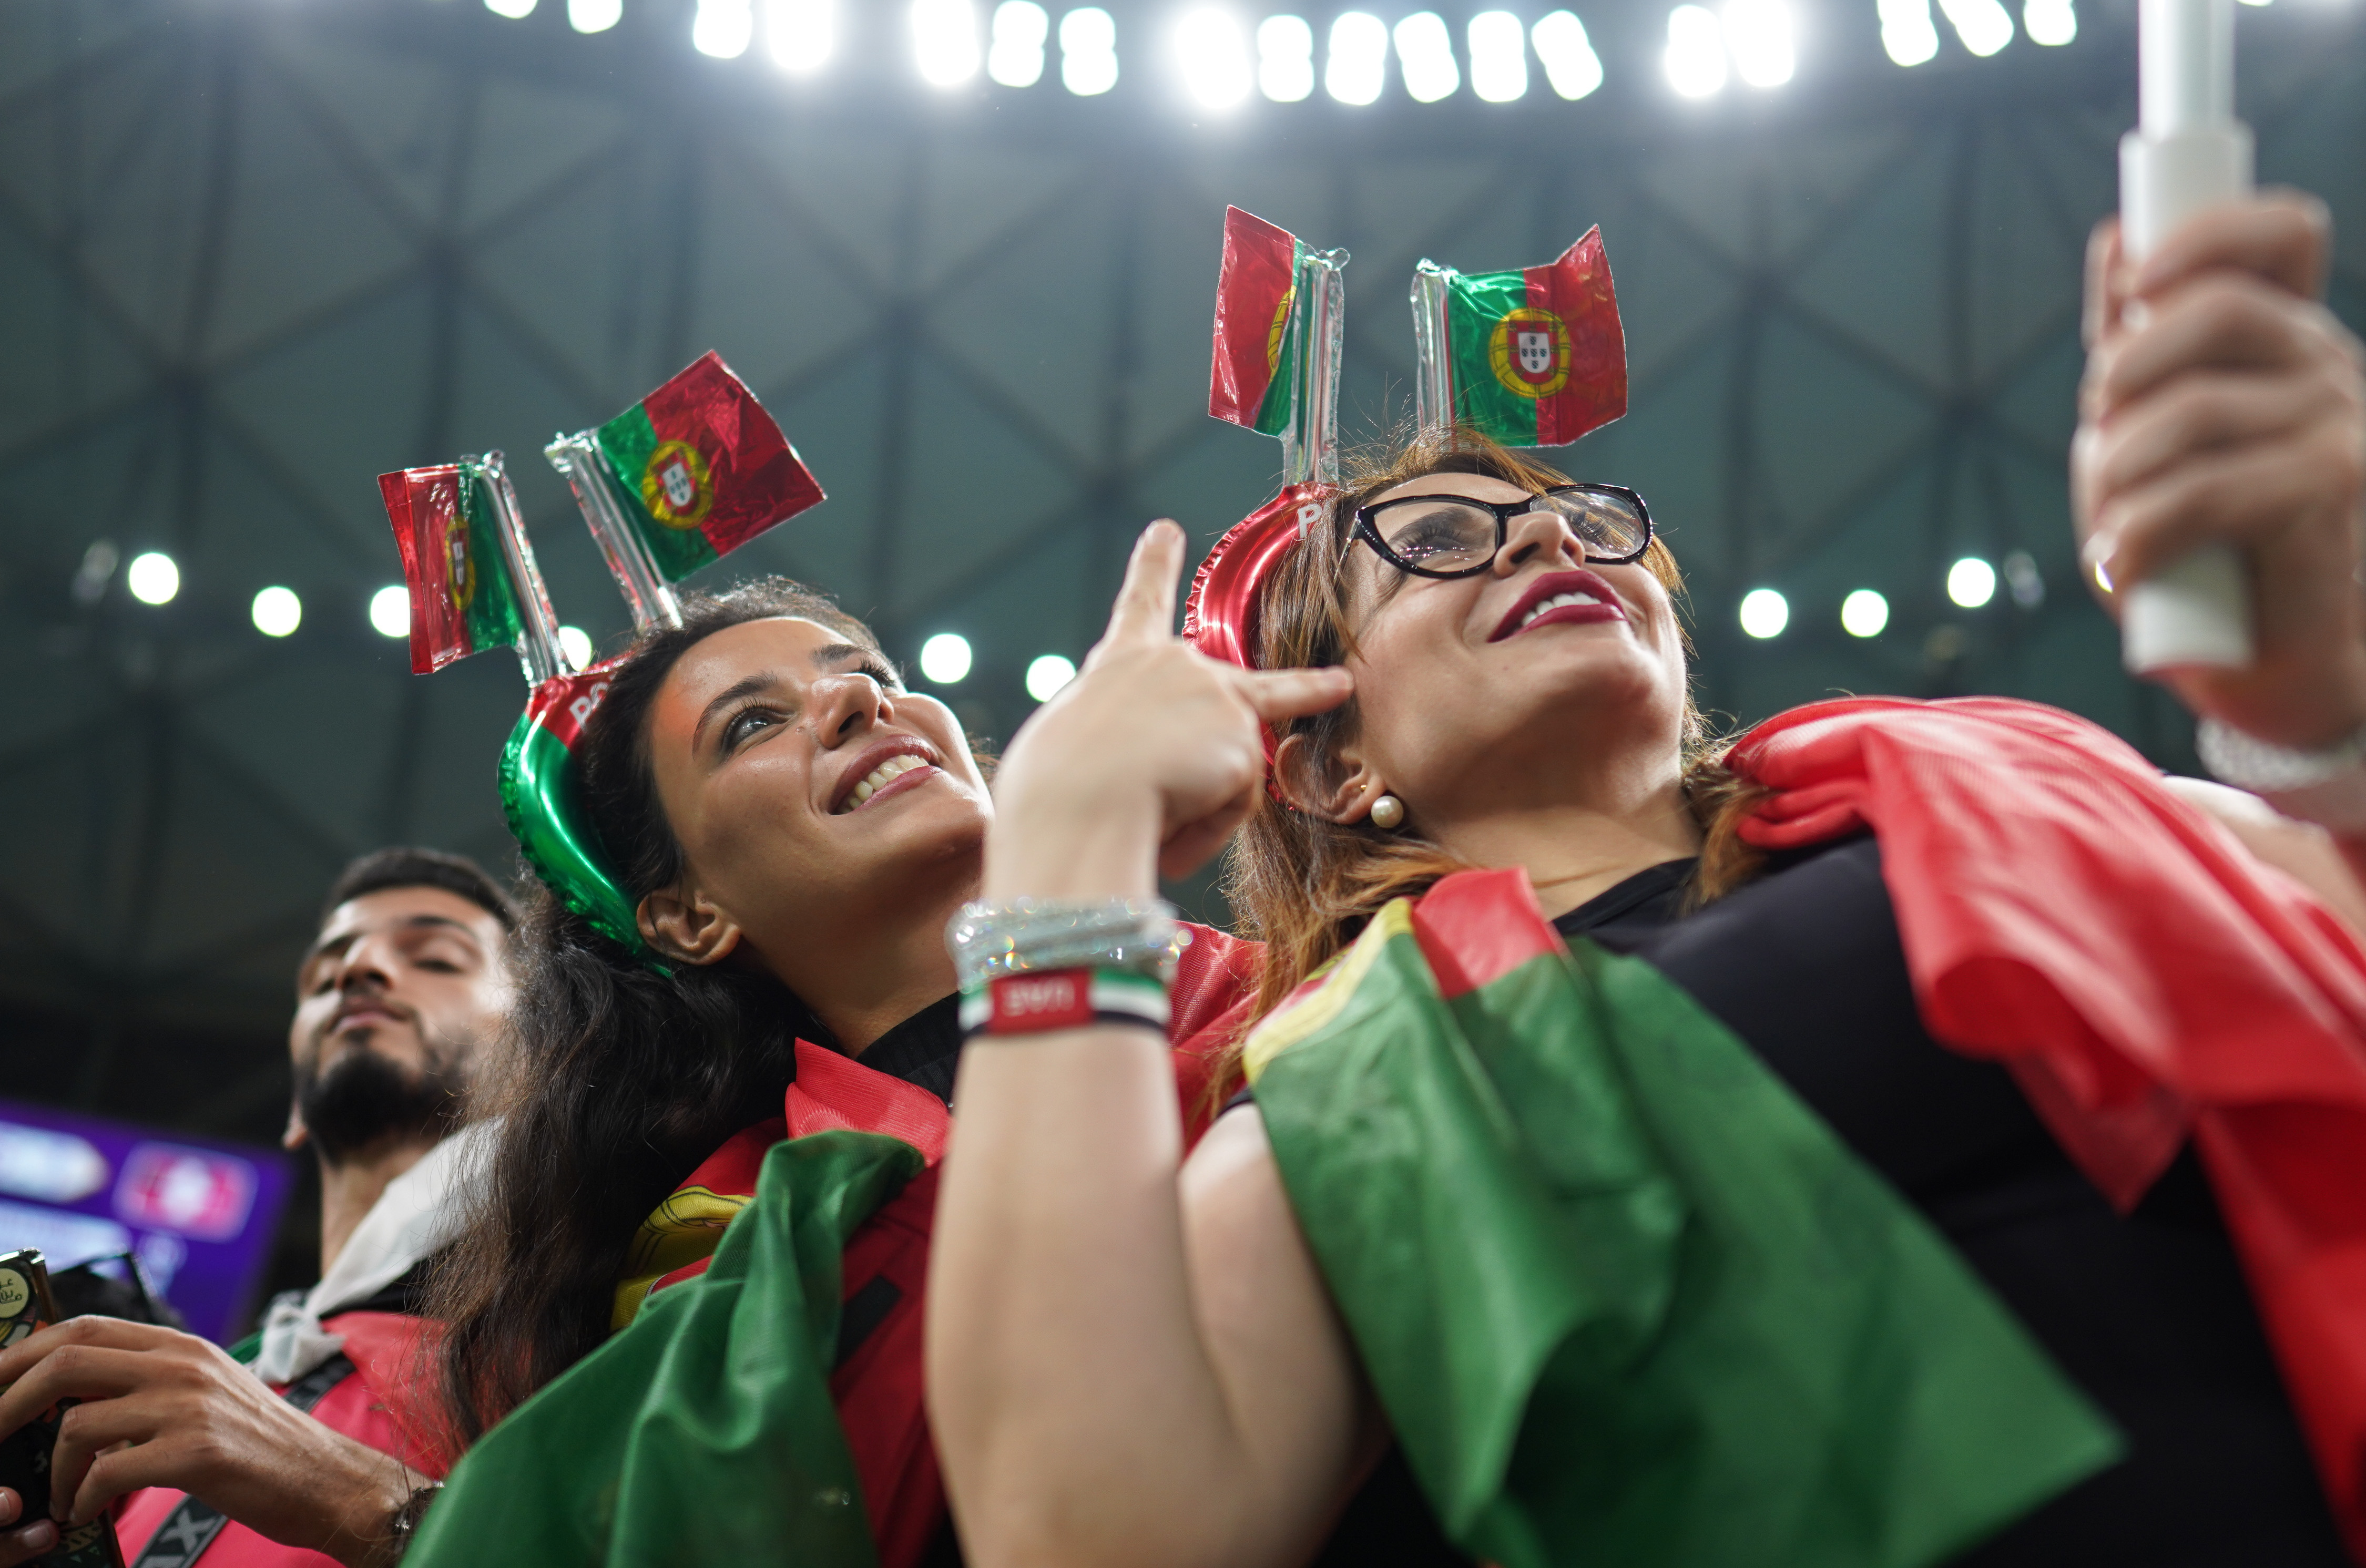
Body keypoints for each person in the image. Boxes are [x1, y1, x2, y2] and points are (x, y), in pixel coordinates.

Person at [927, 193, 2366, 1567]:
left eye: (1584, 521)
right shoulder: (1367, 1078)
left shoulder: (1997, 793)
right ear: (1328, 764)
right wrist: (1064, 850)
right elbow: (1091, 1528)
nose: (1548, 533)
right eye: (1434, 543)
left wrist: (2329, 699)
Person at [400, 579, 1328, 1568]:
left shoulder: (1318, 988)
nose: (860, 701)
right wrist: (1071, 877)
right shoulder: (730, 1261)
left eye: (872, 673)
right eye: (752, 724)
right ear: (691, 916)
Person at [0, 848, 517, 1568]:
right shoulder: (193, 1404)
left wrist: (360, 1502)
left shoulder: (589, 1332)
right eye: (322, 976)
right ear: (298, 1108)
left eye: (437, 959)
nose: (356, 968)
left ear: (540, 1063)